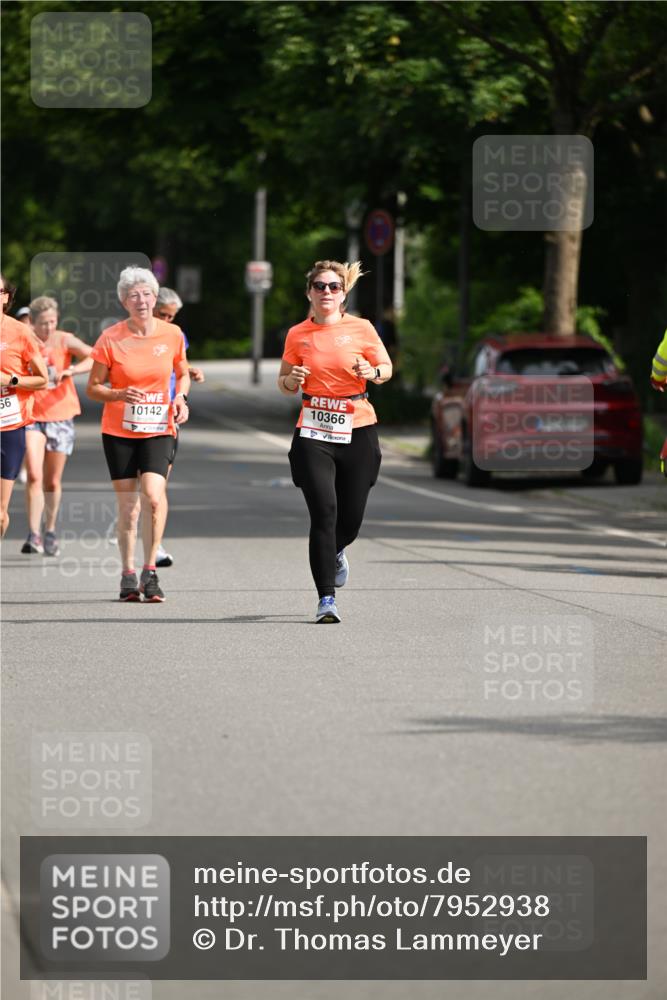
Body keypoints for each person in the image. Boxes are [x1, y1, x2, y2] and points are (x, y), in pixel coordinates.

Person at [278, 260, 392, 623]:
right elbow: (283, 383)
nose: (326, 292)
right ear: (309, 292)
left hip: (357, 426)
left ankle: (338, 550)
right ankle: (326, 599)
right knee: (324, 512)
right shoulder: (297, 334)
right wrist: (292, 379)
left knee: (351, 519)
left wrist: (371, 372)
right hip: (314, 429)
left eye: (333, 287)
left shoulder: (361, 328)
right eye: (319, 286)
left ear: (343, 293)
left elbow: (386, 369)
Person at [86, 266, 190, 602]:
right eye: (134, 295)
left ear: (154, 297)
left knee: (154, 497)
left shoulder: (171, 335)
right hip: (119, 430)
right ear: (124, 301)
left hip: (160, 427)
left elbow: (182, 373)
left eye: (146, 293)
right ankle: (128, 573)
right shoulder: (111, 338)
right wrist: (117, 394)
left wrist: (180, 397)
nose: (141, 300)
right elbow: (93, 388)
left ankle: (151, 571)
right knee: (129, 507)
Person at [21, 296, 93, 555]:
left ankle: (50, 529)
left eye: (52, 322)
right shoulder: (24, 338)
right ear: (32, 322)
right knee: (34, 475)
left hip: (61, 415)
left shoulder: (64, 339)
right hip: (31, 416)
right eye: (43, 323)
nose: (48, 328)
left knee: (52, 481)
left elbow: (93, 357)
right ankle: (34, 534)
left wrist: (72, 371)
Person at [151, 287, 205, 568]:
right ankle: (128, 526)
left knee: (158, 484)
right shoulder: (129, 333)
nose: (168, 321)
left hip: (165, 416)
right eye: (163, 315)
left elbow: (177, 366)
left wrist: (189, 372)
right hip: (133, 419)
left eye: (172, 316)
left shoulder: (176, 335)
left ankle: (155, 545)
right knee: (137, 487)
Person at [0, 274, 49, 538]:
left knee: (0, 514)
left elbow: (43, 379)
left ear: (6, 296)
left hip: (9, 427)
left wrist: (11, 379)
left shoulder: (20, 332)